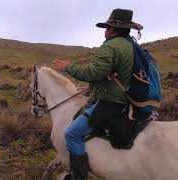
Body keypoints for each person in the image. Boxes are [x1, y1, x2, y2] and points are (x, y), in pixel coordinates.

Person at [52, 9, 144, 180]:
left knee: (71, 133)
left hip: (111, 103)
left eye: (107, 27)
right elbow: (111, 73)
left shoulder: (112, 45)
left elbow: (94, 72)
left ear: (115, 29)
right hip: (122, 100)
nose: (105, 31)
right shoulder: (130, 45)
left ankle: (79, 177)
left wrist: (68, 67)